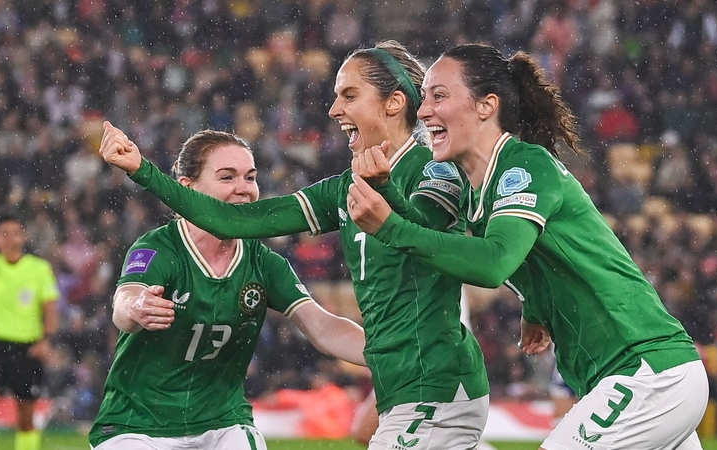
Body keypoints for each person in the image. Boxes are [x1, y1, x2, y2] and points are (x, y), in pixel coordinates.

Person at [98, 41, 493, 449]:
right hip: (406, 382)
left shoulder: (434, 169)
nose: (334, 110)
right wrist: (142, 170)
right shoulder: (346, 187)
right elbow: (233, 221)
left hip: (437, 379)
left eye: (349, 96)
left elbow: (428, 236)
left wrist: (386, 192)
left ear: (393, 103)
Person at [346, 43, 709, 450]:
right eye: (425, 96)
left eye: (439, 95)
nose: (424, 110)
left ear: (486, 105)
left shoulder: (524, 167)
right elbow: (546, 251)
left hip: (646, 373)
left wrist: (390, 227)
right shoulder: (479, 186)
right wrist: (536, 305)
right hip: (632, 378)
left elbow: (493, 263)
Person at [88, 129, 366, 450]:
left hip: (223, 423)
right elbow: (123, 305)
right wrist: (137, 308)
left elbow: (323, 327)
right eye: (227, 177)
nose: (243, 189)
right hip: (138, 423)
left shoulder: (263, 262)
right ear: (187, 188)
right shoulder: (160, 247)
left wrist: (392, 354)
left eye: (250, 177)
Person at [0, 213, 59, 450]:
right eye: (4, 233)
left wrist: (46, 340)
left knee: (25, 413)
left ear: (23, 236)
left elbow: (50, 309)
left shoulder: (38, 269)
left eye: (15, 233)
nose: (11, 238)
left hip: (26, 347)